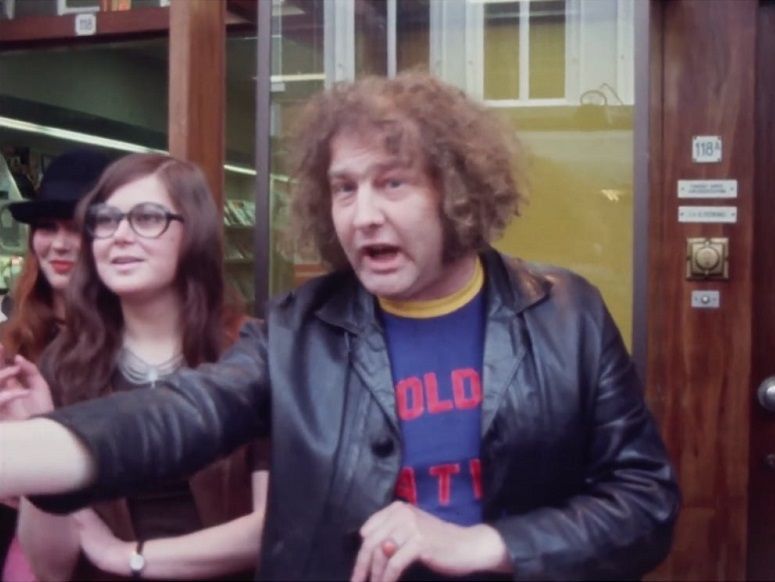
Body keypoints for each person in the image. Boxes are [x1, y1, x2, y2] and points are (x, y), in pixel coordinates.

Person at [0, 73, 679, 581]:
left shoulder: (565, 316)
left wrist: (489, 543)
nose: (362, 215)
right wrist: (27, 448)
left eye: (393, 183)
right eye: (345, 188)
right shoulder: (298, 330)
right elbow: (184, 413)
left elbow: (644, 501)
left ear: (457, 191)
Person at [1, 153, 268, 581]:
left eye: (146, 218)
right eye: (105, 220)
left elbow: (271, 529)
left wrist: (127, 556)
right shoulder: (65, 365)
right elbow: (51, 568)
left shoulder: (250, 352)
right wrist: (38, 441)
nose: (120, 236)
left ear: (193, 233)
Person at [0, 148, 111, 582]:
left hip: (110, 552)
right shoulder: (10, 340)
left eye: (77, 227)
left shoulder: (137, 344)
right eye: (47, 227)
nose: (60, 243)